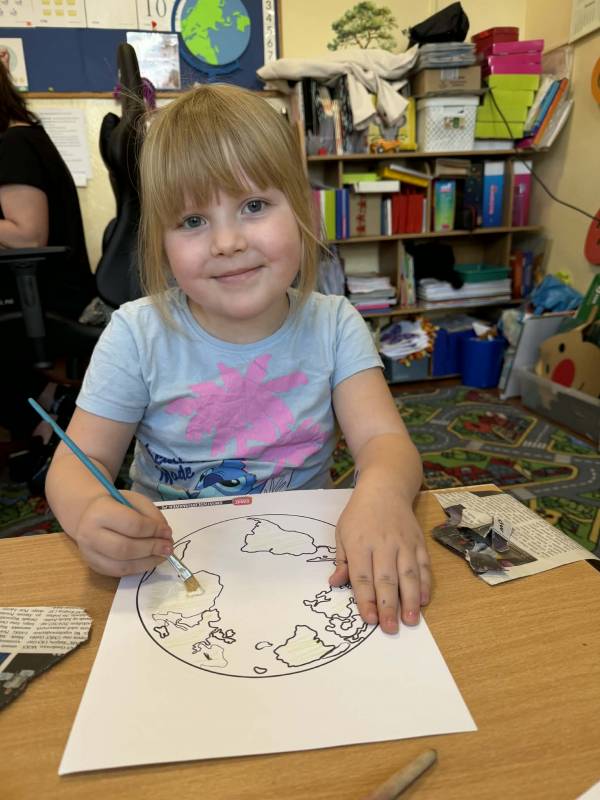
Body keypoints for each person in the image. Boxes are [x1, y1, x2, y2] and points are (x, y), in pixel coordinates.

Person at [45, 83, 431, 634]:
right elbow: (76, 465)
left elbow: (385, 442)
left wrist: (384, 493)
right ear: (160, 243)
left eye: (253, 206)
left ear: (300, 210)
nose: (226, 242)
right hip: (169, 566)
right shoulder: (135, 334)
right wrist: (88, 513)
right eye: (192, 221)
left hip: (305, 556)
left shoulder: (335, 324)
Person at [0, 51, 96, 440]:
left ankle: (45, 429)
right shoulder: (24, 138)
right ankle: (47, 412)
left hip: (51, 299)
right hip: (41, 295)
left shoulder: (14, 144)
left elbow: (27, 236)